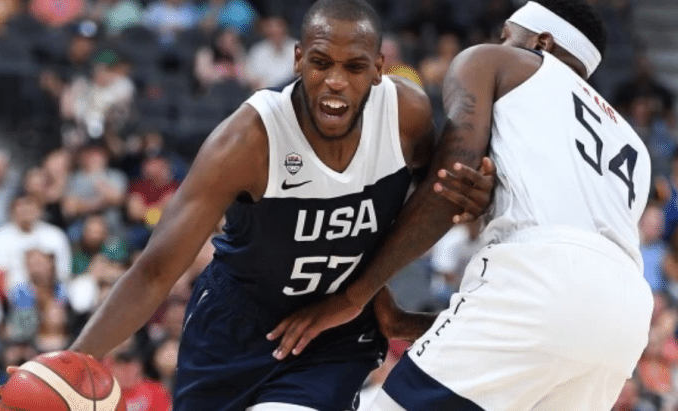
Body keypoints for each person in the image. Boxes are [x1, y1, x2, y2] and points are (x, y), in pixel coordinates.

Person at [0, 1, 493, 410]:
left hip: (331, 335)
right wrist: (69, 366)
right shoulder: (248, 139)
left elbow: (431, 201)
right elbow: (156, 270)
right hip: (233, 326)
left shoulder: (405, 115)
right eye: (321, 63)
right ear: (298, 59)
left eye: (355, 67)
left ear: (379, 68)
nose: (336, 81)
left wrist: (466, 200)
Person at [268, 1, 654, 410]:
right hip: (626, 318)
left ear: (542, 42)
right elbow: (566, 304)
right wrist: (402, 322)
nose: (498, 44)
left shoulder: (494, 62)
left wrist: (354, 296)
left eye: (506, 36)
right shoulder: (634, 146)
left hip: (540, 278)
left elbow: (448, 186)